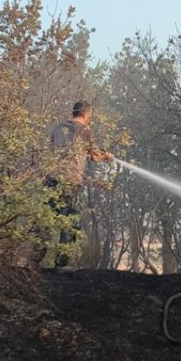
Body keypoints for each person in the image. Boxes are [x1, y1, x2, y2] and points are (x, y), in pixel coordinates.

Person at [45, 100, 111, 267]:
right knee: (70, 221)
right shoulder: (85, 129)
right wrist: (106, 156)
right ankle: (62, 264)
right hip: (70, 182)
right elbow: (94, 155)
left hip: (51, 180)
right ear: (86, 114)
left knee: (45, 219)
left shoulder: (59, 128)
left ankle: (34, 260)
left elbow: (50, 150)